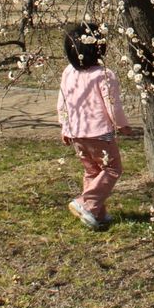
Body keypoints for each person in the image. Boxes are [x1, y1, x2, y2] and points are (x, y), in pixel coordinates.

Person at [56, 22, 134, 230]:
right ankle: (87, 203)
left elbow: (62, 101)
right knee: (112, 168)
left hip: (76, 133)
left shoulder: (68, 72)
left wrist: (64, 127)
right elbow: (112, 105)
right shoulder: (104, 75)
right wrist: (122, 125)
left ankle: (97, 213)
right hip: (100, 134)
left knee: (92, 171)